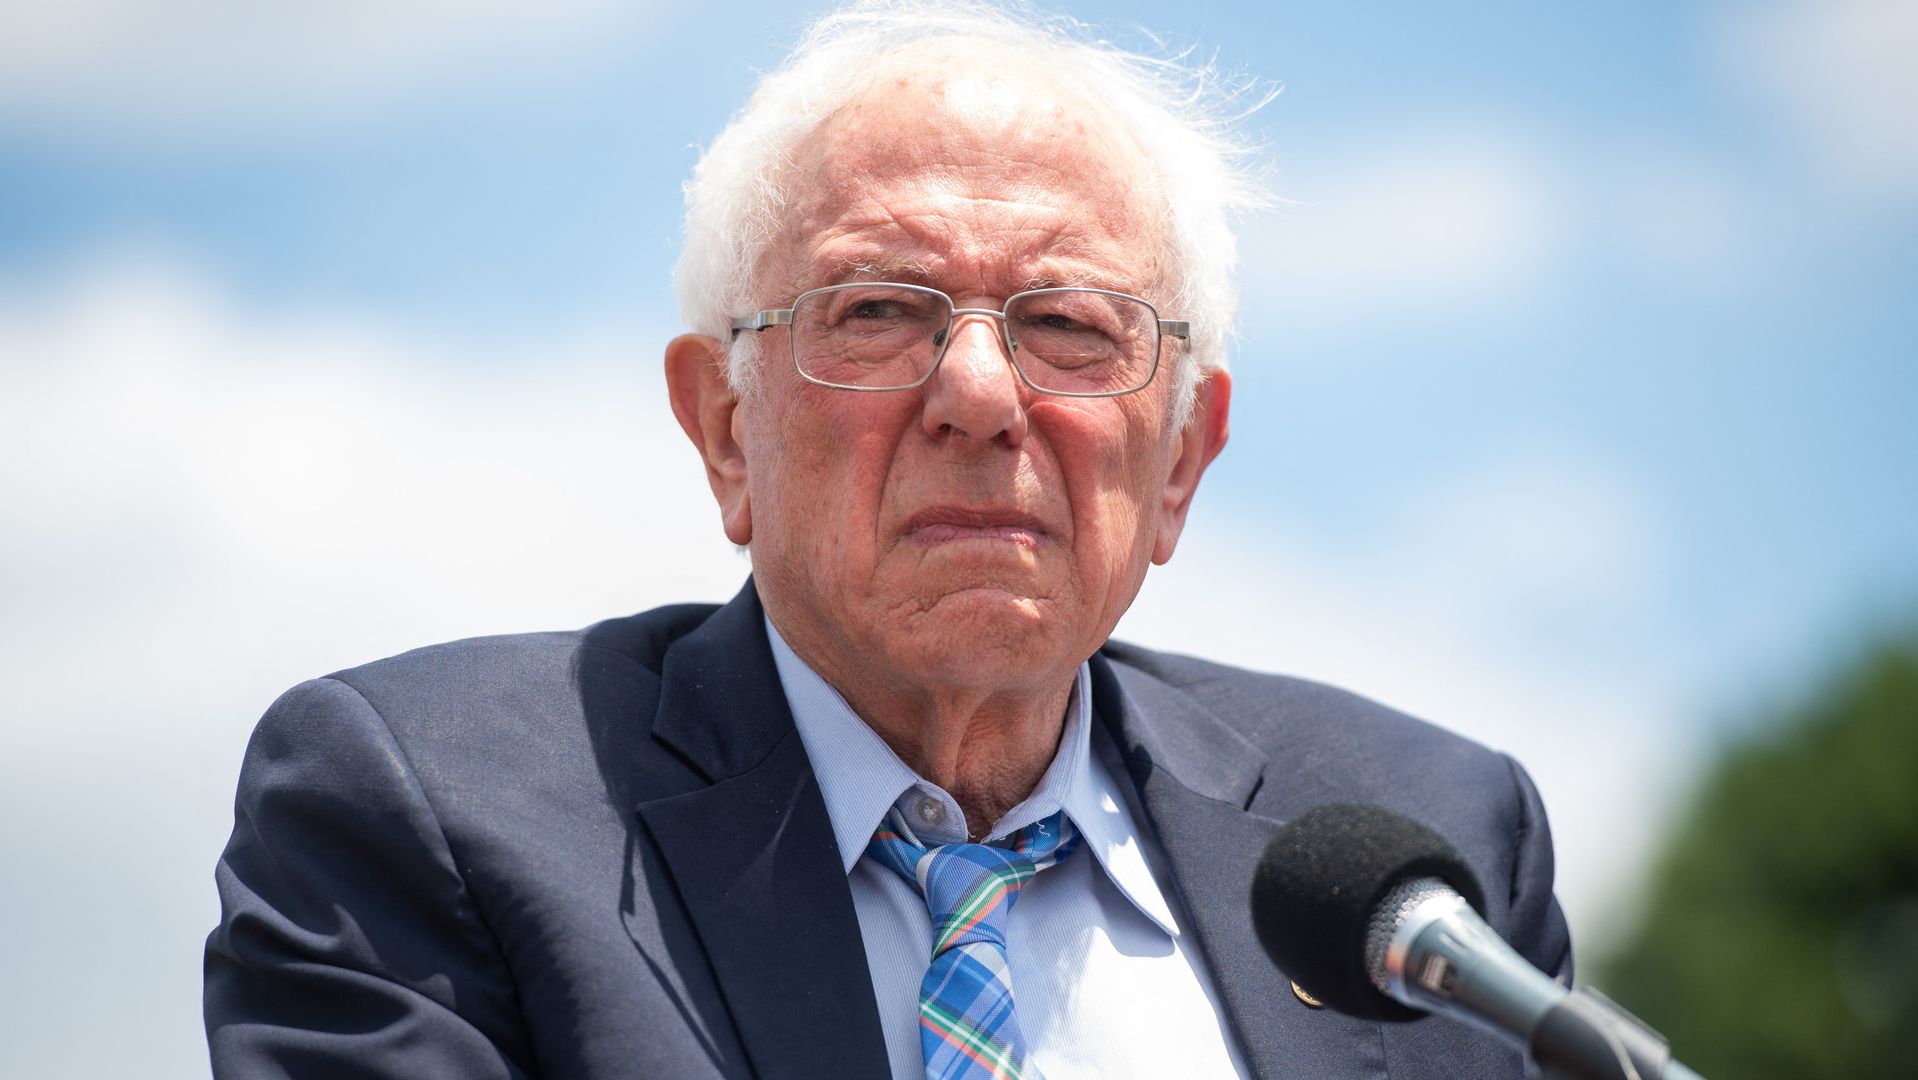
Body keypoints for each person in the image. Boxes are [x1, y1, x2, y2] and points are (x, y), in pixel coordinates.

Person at [204, 2, 1571, 1077]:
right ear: (724, 430)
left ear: (1181, 462)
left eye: (1071, 328)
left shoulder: (1432, 855)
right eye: (876, 312)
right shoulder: (426, 814)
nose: (979, 396)